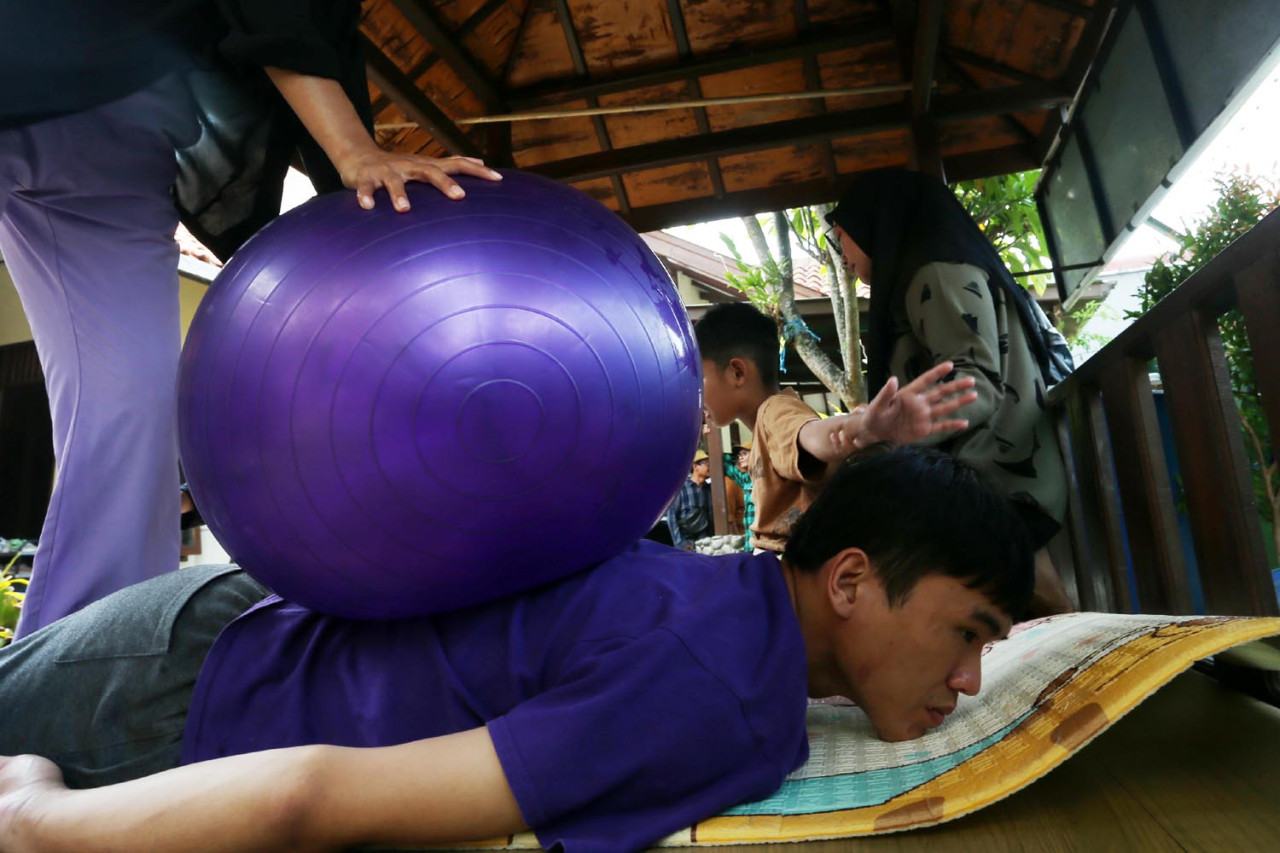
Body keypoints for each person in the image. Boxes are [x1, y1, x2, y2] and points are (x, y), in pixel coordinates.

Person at [0, 446, 1033, 853]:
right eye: (964, 632)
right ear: (848, 580)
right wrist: (40, 824)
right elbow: (307, 796)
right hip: (184, 703)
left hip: (226, 632)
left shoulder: (730, 598)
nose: (967, 679)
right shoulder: (719, 688)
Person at [0, 2, 501, 637]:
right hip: (55, 79)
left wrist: (353, 189)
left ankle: (73, 683)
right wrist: (353, 150)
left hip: (118, 146)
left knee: (135, 413)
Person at [825, 170, 1076, 615]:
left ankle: (1094, 680)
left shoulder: (933, 271)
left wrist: (892, 432)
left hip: (995, 477)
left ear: (873, 222)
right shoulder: (939, 262)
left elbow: (971, 383)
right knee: (1029, 606)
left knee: (1039, 606)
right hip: (1010, 467)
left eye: (840, 236)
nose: (840, 254)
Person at [695, 302, 977, 553]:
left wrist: (854, 430)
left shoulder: (774, 411)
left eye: (698, 375)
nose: (692, 388)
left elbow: (809, 434)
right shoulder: (767, 423)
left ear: (737, 372)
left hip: (789, 572)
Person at [667, 450, 714, 548]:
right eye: (706, 464)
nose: (709, 466)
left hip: (704, 541)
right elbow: (672, 517)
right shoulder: (681, 488)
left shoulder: (708, 489)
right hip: (686, 540)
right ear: (695, 466)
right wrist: (680, 542)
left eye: (710, 463)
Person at [726, 442, 755, 548]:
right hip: (750, 543)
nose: (740, 457)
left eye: (744, 454)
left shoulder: (766, 479)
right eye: (739, 455)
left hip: (764, 543)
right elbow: (726, 462)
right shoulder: (746, 480)